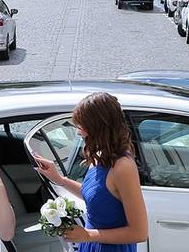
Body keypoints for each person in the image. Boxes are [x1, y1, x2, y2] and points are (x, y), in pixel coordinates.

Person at [33, 92, 148, 252]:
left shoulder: (123, 167)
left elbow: (139, 232)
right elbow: (97, 197)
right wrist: (59, 179)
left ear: (98, 128)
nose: (79, 132)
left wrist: (88, 235)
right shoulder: (100, 155)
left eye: (81, 126)